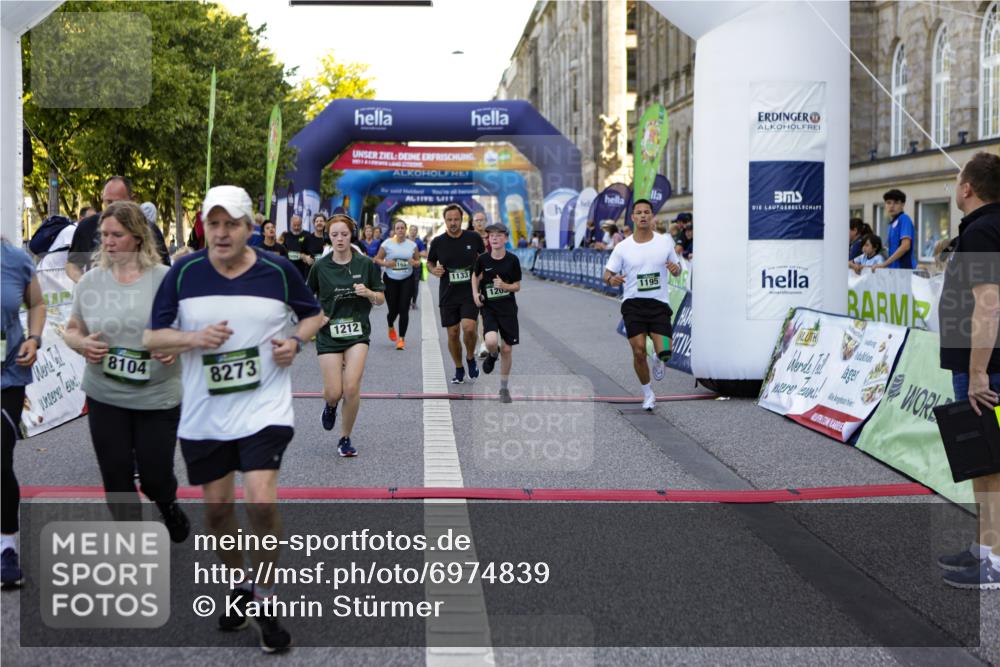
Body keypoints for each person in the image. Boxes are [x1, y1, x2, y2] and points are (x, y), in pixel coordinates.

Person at [144, 185, 325, 651]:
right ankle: (239, 586)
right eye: (214, 224)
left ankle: (264, 599)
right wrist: (193, 340)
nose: (221, 233)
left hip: (264, 406)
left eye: (232, 224)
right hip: (205, 415)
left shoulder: (278, 270)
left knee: (261, 503)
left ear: (249, 228)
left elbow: (314, 316)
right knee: (219, 510)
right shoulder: (183, 272)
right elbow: (152, 338)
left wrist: (295, 343)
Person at [63, 201, 188, 540]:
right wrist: (82, 344)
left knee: (155, 475)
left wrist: (173, 346)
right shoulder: (90, 283)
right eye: (104, 234)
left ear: (137, 237)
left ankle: (167, 505)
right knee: (116, 478)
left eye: (116, 234)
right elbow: (73, 328)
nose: (108, 241)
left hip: (157, 394)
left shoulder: (166, 279)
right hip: (105, 393)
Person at [935, 152, 1000, 590]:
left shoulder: (982, 231)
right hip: (981, 364)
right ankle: (983, 548)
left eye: (957, 180)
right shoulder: (984, 229)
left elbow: (989, 304)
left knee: (991, 465)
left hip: (987, 369)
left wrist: (978, 372)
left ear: (967, 189)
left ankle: (994, 561)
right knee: (982, 462)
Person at [308, 214, 384, 457]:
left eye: (344, 234)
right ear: (328, 237)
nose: (339, 239)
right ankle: (330, 405)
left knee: (351, 388)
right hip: (329, 334)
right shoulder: (320, 265)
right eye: (334, 235)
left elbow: (381, 299)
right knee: (334, 392)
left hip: (357, 332)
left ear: (352, 235)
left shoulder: (366, 264)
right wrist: (315, 317)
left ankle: (345, 438)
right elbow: (305, 298)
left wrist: (370, 292)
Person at [603, 199, 683, 411]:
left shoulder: (664, 242)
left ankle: (658, 357)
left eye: (647, 212)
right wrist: (612, 280)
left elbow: (677, 268)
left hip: (658, 303)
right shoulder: (622, 247)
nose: (643, 216)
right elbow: (607, 273)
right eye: (639, 213)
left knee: (666, 351)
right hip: (633, 304)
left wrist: (675, 270)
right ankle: (648, 394)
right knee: (638, 351)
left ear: (652, 216)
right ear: (633, 217)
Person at [0, 240, 45, 588]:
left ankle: (6, 547)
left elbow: (37, 303)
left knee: (1, 459)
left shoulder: (15, 259)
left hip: (7, 377)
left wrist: (34, 337)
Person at [66, 176, 170, 282]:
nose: (113, 207)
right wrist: (84, 283)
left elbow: (163, 266)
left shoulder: (149, 228)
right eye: (108, 202)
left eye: (119, 202)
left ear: (132, 199)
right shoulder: (87, 226)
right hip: (102, 295)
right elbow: (72, 264)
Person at [427, 204, 485, 384]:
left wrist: (482, 274)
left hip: (469, 292)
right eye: (449, 220)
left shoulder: (473, 237)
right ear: (445, 221)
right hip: (448, 293)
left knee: (468, 328)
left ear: (462, 220)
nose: (453, 223)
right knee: (452, 333)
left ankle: (470, 358)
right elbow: (430, 263)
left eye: (456, 219)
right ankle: (459, 367)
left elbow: (483, 259)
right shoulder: (438, 242)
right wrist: (433, 270)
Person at [472, 224, 522, 403]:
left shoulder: (513, 260)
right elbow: (475, 276)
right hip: (489, 308)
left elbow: (517, 286)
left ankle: (503, 388)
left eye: (498, 235)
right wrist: (475, 294)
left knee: (507, 349)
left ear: (506, 239)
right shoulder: (483, 259)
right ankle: (493, 354)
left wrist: (505, 286)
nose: (494, 238)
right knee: (492, 342)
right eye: (491, 235)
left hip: (508, 309)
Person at [374, 219, 420, 350]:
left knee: (404, 309)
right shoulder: (387, 244)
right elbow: (377, 259)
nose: (400, 230)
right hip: (391, 279)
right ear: (394, 230)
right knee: (393, 310)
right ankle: (390, 324)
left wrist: (414, 263)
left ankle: (401, 339)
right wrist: (386, 264)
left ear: (405, 230)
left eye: (402, 228)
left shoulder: (412, 245)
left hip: (407, 279)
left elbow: (417, 262)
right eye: (398, 228)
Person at [876, 189, 917, 269]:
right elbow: (887, 249)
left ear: (903, 204)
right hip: (893, 270)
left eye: (896, 203)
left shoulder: (904, 219)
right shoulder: (891, 224)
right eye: (888, 203)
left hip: (904, 270)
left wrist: (885, 264)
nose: (891, 206)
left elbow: (905, 246)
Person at [282, 214, 313, 279]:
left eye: (298, 225)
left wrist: (306, 257)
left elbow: (311, 253)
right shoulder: (286, 235)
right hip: (289, 268)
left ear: (301, 224)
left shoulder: (307, 235)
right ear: (291, 225)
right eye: (294, 225)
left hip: (303, 270)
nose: (296, 228)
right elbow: (283, 251)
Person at [408, 224, 427, 310]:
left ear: (416, 232)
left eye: (414, 230)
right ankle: (407, 302)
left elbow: (424, 254)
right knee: (405, 285)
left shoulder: (419, 242)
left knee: (415, 285)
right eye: (411, 230)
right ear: (409, 231)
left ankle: (414, 302)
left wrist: (415, 253)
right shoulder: (405, 241)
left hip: (416, 266)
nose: (413, 231)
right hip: (406, 266)